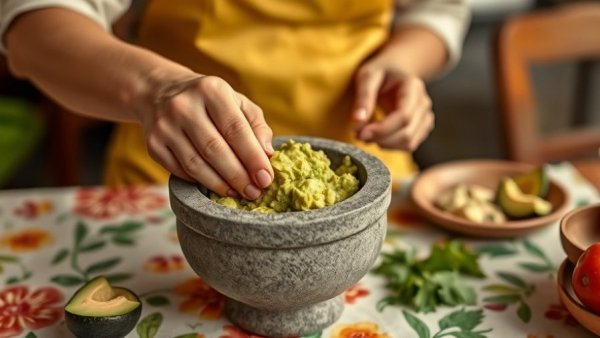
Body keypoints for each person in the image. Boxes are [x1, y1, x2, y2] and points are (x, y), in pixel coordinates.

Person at [0, 0, 470, 200]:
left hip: (364, 158)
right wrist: (154, 89)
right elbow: (33, 25)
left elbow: (436, 10)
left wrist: (402, 63)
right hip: (174, 165)